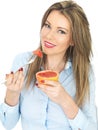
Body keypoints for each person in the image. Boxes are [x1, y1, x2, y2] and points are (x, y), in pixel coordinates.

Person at [0, 0, 97, 130]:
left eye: (61, 31)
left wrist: (64, 99)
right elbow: (8, 124)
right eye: (47, 25)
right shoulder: (23, 62)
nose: (49, 36)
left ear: (73, 40)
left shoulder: (84, 72)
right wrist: (12, 93)